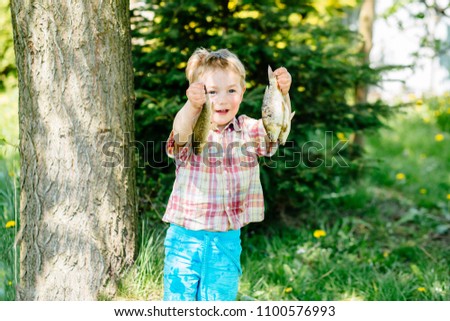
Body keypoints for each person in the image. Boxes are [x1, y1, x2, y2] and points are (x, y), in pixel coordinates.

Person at [163, 48, 292, 301]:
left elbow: (275, 127)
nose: (222, 100)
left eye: (231, 90)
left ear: (242, 94)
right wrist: (192, 106)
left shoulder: (248, 129)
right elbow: (178, 132)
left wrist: (283, 95)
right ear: (198, 94)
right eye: (212, 92)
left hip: (226, 241)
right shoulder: (193, 129)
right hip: (184, 240)